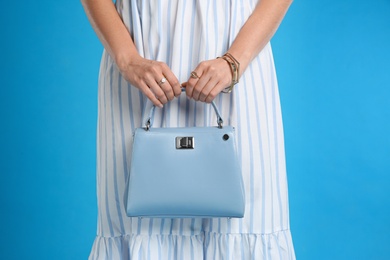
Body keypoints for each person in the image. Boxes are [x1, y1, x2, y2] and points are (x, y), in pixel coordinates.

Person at [82, 0, 295, 259]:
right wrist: (127, 60)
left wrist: (233, 62)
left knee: (247, 222)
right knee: (135, 222)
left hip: (237, 59)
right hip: (139, 64)